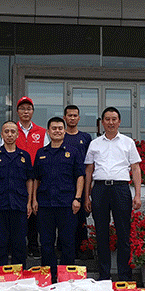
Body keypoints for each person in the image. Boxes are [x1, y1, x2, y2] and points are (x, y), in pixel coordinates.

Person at [84, 106, 142, 281]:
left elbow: (136, 168)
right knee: (101, 233)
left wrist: (138, 194)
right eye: (107, 119)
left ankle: (124, 276)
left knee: (123, 233)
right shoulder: (95, 144)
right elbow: (88, 171)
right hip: (100, 189)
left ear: (119, 121)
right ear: (102, 122)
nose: (111, 122)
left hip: (121, 189)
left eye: (114, 119)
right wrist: (86, 196)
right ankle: (104, 276)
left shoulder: (128, 142)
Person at [32, 117, 84, 283]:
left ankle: (66, 279)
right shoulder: (41, 153)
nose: (57, 131)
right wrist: (34, 200)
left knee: (68, 242)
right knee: (46, 243)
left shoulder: (73, 152)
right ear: (48, 132)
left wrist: (77, 198)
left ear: (64, 131)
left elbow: (80, 176)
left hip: (67, 203)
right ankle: (49, 277)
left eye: (60, 128)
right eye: (54, 128)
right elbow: (36, 179)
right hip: (45, 204)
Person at [0, 120, 33, 267]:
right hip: (0, 204)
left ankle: (19, 273)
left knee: (19, 242)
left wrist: (29, 202)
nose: (10, 134)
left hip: (19, 204)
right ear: (2, 134)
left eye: (13, 132)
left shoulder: (24, 156)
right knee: (0, 241)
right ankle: (0, 273)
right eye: (6, 131)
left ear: (18, 134)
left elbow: (29, 180)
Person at [15, 96, 46, 258]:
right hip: (16, 178)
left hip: (37, 179)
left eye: (28, 109)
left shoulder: (42, 132)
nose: (25, 112)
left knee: (34, 212)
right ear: (17, 111)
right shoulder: (11, 129)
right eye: (22, 109)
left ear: (33, 112)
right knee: (18, 213)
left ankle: (33, 245)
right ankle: (17, 246)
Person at [63, 105, 93, 259]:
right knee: (64, 219)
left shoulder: (86, 138)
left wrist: (88, 189)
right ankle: (64, 249)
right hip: (64, 183)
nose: (72, 118)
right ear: (65, 118)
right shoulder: (60, 136)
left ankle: (82, 249)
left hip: (81, 182)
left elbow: (90, 164)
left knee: (81, 218)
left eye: (75, 115)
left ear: (79, 118)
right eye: (69, 115)